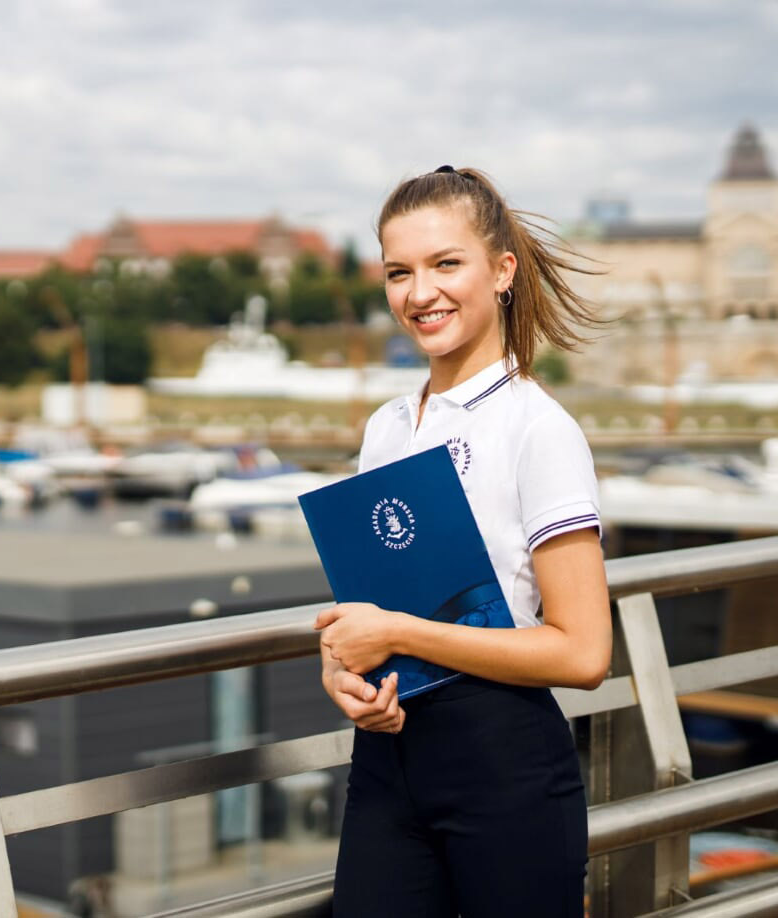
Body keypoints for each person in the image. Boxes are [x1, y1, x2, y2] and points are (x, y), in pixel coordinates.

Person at [314, 165, 612, 917]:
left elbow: (583, 654)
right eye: (398, 272)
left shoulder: (537, 429)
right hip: (387, 764)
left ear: (502, 270)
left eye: (446, 264)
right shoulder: (385, 428)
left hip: (504, 770)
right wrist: (342, 670)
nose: (421, 293)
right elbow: (368, 612)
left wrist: (401, 630)